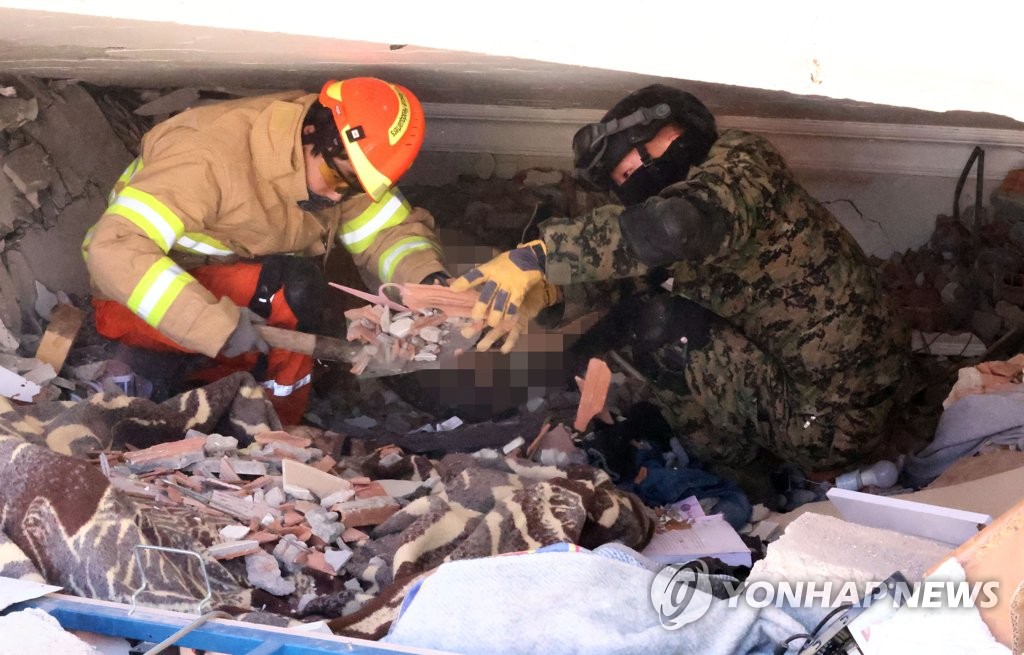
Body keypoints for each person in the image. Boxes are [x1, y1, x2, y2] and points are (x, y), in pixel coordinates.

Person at [452, 84, 910, 475]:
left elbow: (670, 227)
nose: (631, 184)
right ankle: (741, 467)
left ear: (670, 134)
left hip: (833, 421)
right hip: (820, 397)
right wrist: (549, 291)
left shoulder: (742, 165)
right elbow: (630, 270)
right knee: (639, 307)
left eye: (631, 168)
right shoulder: (690, 212)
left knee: (658, 326)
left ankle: (735, 473)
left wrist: (543, 256)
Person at [83, 77, 449, 425]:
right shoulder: (207, 157)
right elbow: (113, 248)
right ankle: (265, 420)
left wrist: (430, 283)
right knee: (294, 288)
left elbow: (387, 232)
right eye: (339, 179)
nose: (338, 195)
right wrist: (212, 325)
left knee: (303, 292)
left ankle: (275, 421)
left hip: (239, 287)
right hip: (136, 301)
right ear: (311, 133)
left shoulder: (338, 160)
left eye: (354, 189)